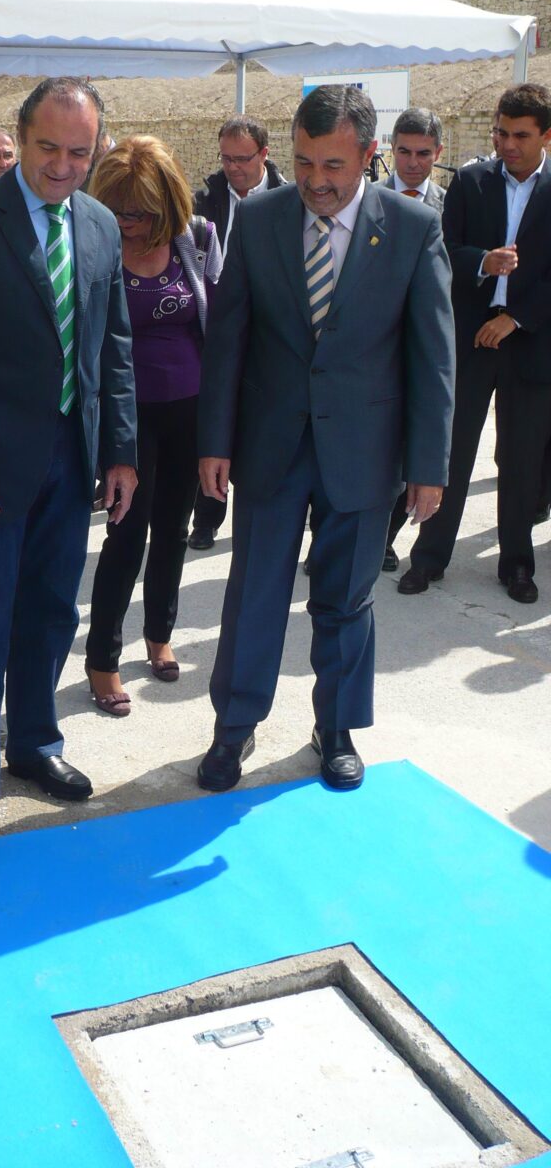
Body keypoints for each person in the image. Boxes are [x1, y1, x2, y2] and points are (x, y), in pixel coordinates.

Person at [195, 85, 454, 795]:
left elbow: (432, 357)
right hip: (271, 448)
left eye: (334, 165)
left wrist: (428, 465)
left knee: (345, 599)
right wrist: (214, 441)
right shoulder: (259, 218)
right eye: (305, 162)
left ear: (368, 155)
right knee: (254, 595)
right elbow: (228, 339)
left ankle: (335, 729)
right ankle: (234, 725)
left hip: (365, 452)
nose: (316, 180)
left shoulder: (412, 229)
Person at [0, 77, 137, 861]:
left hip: (71, 465)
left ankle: (35, 745)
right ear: (20, 135)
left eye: (80, 151)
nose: (63, 166)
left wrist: (121, 450)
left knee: (50, 614)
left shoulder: (99, 224)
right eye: (48, 148)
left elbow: (114, 346)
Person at [398, 83, 551, 605]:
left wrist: (517, 319)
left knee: (521, 460)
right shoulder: (470, 180)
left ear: (546, 136)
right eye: (501, 133)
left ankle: (517, 564)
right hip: (470, 339)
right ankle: (429, 557)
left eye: (520, 136)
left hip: (530, 342)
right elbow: (443, 250)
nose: (508, 144)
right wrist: (482, 262)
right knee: (452, 452)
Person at [84, 136, 221, 716]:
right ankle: (102, 657)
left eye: (138, 213)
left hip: (189, 409)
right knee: (125, 534)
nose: (126, 223)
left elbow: (220, 325)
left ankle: (160, 634)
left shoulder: (198, 239)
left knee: (173, 529)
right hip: (126, 416)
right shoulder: (95, 244)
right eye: (116, 210)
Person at [189, 115, 287, 551]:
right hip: (213, 331)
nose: (233, 168)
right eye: (226, 158)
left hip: (268, 335)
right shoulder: (204, 201)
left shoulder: (288, 201)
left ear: (264, 154)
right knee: (213, 425)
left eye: (242, 159)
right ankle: (206, 517)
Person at [380, 107, 446, 573]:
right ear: (391, 149)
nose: (412, 162)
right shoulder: (367, 200)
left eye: (423, 153)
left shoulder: (451, 205)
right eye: (404, 151)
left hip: (421, 348)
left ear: (438, 153)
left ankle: (385, 536)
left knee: (412, 447)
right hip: (375, 348)